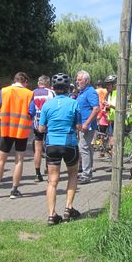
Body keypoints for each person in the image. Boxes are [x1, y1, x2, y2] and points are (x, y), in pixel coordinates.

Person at [37, 73, 83, 225]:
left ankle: (51, 215)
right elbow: (78, 126)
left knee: (52, 180)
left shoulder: (47, 105)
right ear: (68, 88)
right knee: (72, 175)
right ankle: (68, 208)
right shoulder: (73, 103)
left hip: (52, 146)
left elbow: (41, 128)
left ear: (54, 88)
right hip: (69, 144)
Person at [0, 72, 34, 199]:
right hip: (22, 131)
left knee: (1, 161)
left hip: (6, 130)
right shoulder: (29, 94)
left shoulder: (4, 91)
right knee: (19, 160)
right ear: (25, 82)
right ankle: (14, 190)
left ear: (15, 80)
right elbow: (32, 112)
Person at [75, 70, 100, 184]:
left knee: (83, 148)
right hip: (82, 125)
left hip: (87, 126)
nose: (77, 82)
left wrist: (86, 123)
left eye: (79, 80)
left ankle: (86, 174)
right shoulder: (82, 92)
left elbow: (96, 108)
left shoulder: (90, 92)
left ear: (86, 80)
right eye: (77, 79)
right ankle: (87, 172)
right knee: (87, 148)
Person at [32, 75, 55, 182]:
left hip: (36, 123)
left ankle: (37, 174)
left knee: (38, 148)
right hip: (49, 123)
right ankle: (49, 171)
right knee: (49, 147)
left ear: (39, 83)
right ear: (48, 83)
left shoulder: (33, 93)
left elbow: (30, 109)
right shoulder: (51, 92)